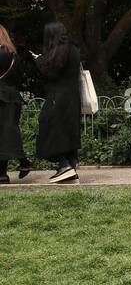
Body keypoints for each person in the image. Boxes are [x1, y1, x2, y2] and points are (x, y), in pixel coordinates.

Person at [29, 22, 81, 184]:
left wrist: (38, 61)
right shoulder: (73, 49)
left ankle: (64, 166)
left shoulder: (59, 51)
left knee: (48, 128)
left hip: (58, 97)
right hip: (73, 96)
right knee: (69, 131)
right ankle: (70, 169)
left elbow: (51, 73)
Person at [0, 25, 32, 184]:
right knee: (7, 133)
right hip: (11, 97)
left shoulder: (2, 54)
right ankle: (6, 172)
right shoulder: (13, 55)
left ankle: (17, 164)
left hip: (3, 97)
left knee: (5, 134)